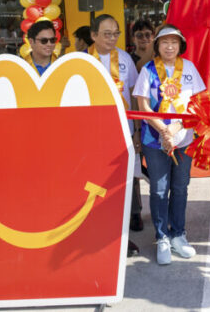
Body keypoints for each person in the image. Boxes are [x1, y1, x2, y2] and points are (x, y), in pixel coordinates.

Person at [132, 25, 206, 265]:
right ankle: (162, 236)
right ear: (157, 46)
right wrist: (163, 130)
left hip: (184, 139)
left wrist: (176, 128)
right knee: (159, 189)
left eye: (174, 42)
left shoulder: (190, 68)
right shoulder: (148, 70)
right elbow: (143, 106)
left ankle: (179, 234)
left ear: (180, 45)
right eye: (164, 42)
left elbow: (198, 103)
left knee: (181, 187)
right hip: (155, 141)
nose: (169, 46)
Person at [89, 14, 142, 254]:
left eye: (116, 33)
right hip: (94, 135)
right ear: (94, 35)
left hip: (123, 131)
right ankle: (97, 232)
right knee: (97, 184)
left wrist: (137, 131)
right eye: (107, 34)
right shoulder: (83, 60)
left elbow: (134, 94)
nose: (112, 38)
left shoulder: (125, 59)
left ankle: (121, 237)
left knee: (122, 184)